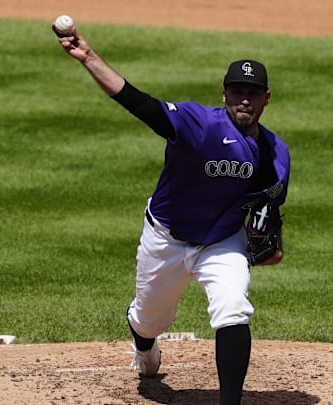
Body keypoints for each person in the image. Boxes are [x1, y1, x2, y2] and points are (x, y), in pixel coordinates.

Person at [53, 23, 290, 405]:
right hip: (166, 237)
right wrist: (89, 58)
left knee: (233, 308)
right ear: (224, 94)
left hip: (222, 241)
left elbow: (267, 211)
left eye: (253, 93)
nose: (244, 100)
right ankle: (146, 349)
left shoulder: (277, 154)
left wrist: (269, 241)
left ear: (267, 98)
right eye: (237, 91)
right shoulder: (199, 124)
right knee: (149, 320)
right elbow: (139, 103)